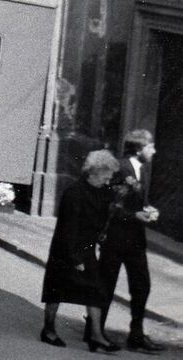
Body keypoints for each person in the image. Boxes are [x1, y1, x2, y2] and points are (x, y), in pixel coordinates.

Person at [40, 149, 120, 352]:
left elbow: (104, 214)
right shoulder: (73, 193)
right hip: (66, 249)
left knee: (95, 291)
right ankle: (48, 330)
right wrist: (75, 258)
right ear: (93, 172)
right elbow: (68, 228)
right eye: (106, 175)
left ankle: (96, 336)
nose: (108, 179)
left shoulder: (101, 192)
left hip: (87, 248)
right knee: (55, 291)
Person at [99, 130, 163, 354]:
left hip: (135, 240)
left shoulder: (143, 171)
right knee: (106, 284)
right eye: (150, 146)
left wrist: (148, 210)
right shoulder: (121, 168)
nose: (154, 150)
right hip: (115, 239)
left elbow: (138, 202)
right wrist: (134, 215)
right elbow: (109, 205)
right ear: (138, 148)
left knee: (141, 285)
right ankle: (95, 331)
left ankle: (136, 334)